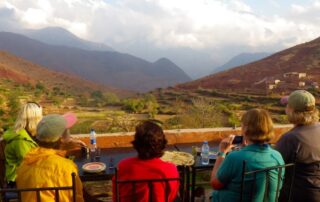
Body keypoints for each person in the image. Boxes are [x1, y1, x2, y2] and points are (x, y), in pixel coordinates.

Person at [210, 108, 284, 202]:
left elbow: (214, 184)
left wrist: (222, 153)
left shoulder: (234, 157)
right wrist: (245, 149)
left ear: (245, 128)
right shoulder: (277, 156)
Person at [16, 113, 84, 202]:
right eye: (67, 131)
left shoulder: (25, 162)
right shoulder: (64, 167)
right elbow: (74, 198)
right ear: (61, 138)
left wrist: (63, 150)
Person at [113, 121, 179, 202]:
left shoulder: (123, 166)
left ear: (137, 143)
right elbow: (171, 197)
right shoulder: (171, 169)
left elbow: (116, 197)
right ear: (162, 143)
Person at [276, 90, 320, 202]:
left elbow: (274, 167)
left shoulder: (291, 138)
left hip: (297, 195)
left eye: (287, 106)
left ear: (292, 111)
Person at [3, 102, 42, 185]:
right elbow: (29, 163)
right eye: (41, 116)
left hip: (27, 176)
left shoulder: (28, 134)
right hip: (18, 180)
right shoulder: (20, 139)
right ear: (35, 118)